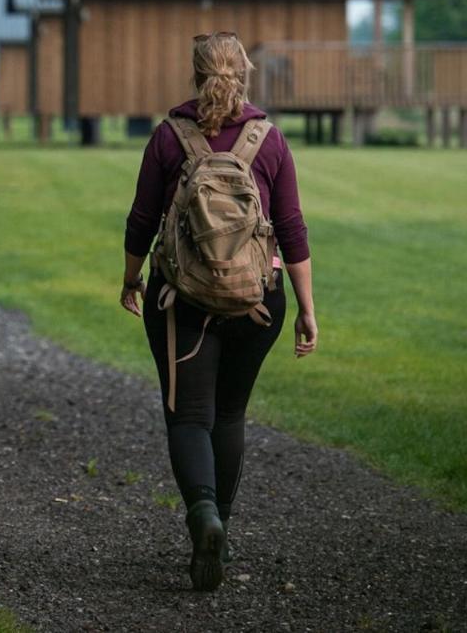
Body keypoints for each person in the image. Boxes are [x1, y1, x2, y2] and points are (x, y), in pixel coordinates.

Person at [118, 31, 319, 592]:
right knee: (229, 417)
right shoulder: (269, 140)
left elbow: (141, 220)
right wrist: (306, 309)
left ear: (195, 74)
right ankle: (222, 528)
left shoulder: (169, 137)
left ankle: (202, 516)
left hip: (183, 300)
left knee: (190, 418)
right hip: (259, 302)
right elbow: (293, 229)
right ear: (245, 75)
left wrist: (131, 277)